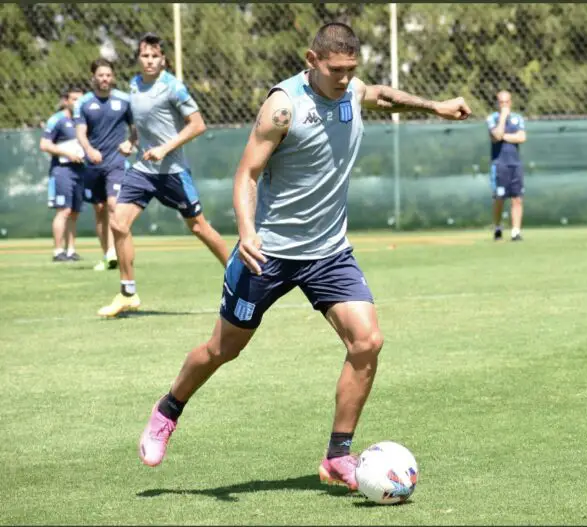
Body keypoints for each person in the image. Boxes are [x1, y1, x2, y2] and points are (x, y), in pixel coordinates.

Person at [137, 22, 471, 491]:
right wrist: (248, 231)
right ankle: (168, 408)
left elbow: (383, 96)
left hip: (329, 253)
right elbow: (246, 175)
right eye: (334, 69)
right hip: (268, 252)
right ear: (311, 60)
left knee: (368, 341)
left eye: (350, 70)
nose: (343, 78)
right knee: (223, 349)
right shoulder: (283, 106)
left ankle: (337, 456)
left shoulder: (351, 91)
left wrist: (435, 106)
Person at [98, 33, 229, 317]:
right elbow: (142, 124)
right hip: (143, 170)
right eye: (145, 56)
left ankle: (241, 278)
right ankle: (127, 292)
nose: (149, 61)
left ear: (163, 60)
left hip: (172, 171)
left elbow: (197, 125)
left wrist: (164, 148)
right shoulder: (133, 85)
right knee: (119, 224)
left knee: (198, 227)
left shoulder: (173, 88)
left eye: (155, 56)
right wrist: (132, 141)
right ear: (138, 59)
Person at [74, 58, 137, 271]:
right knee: (99, 209)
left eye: (108, 75)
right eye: (101, 75)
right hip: (93, 164)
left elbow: (135, 127)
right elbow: (80, 133)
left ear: (113, 77)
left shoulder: (125, 100)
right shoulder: (83, 103)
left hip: (117, 162)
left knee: (114, 205)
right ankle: (108, 254)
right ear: (93, 77)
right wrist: (89, 150)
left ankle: (118, 252)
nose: (105, 79)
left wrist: (131, 142)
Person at [40, 86, 86, 262]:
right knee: (64, 210)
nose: (78, 103)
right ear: (66, 101)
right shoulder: (57, 120)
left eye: (81, 100)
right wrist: (67, 154)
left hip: (80, 170)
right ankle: (58, 251)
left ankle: (70, 250)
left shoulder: (82, 121)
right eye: (74, 99)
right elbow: (44, 144)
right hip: (63, 171)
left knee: (74, 212)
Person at [486, 90, 526, 241]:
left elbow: (522, 137)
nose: (504, 105)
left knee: (517, 198)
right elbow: (495, 135)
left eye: (506, 102)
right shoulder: (492, 118)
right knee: (499, 198)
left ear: (511, 102)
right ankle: (497, 227)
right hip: (499, 164)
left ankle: (516, 231)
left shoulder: (517, 118)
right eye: (501, 102)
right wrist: (502, 119)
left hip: (514, 164)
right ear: (497, 103)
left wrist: (504, 136)